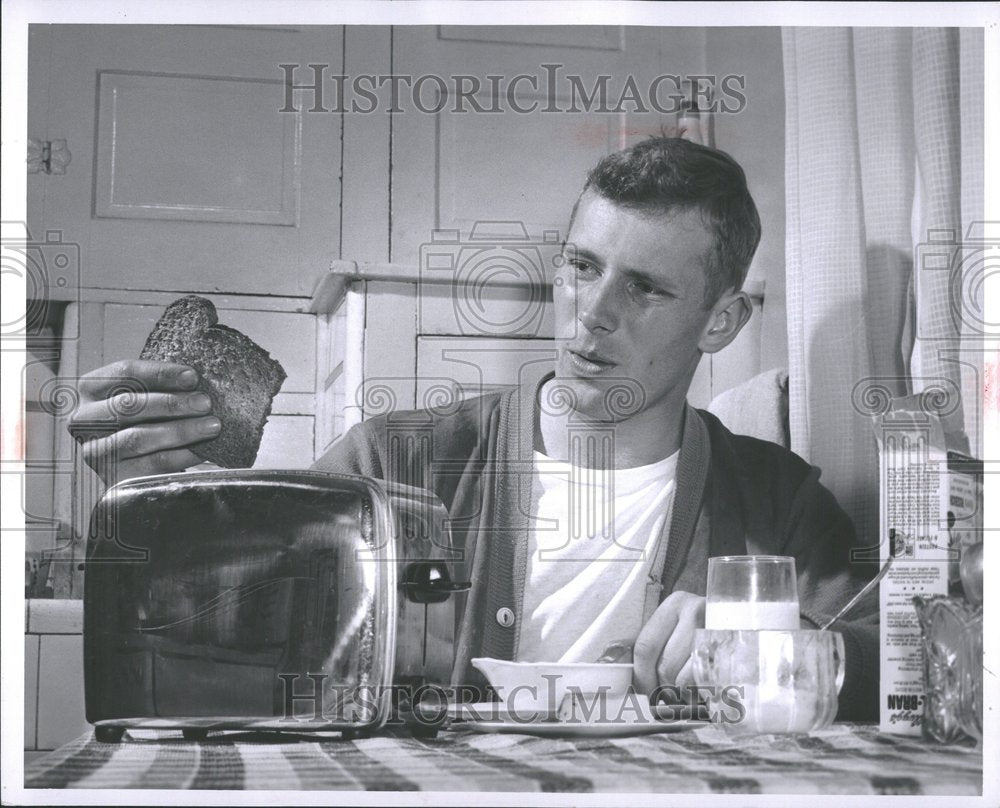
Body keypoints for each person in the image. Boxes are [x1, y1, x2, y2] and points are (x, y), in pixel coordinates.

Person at [70, 136, 878, 720]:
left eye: (646, 289)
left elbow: (888, 660)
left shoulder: (775, 499)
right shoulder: (392, 462)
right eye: (582, 266)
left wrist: (789, 645)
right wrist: (160, 515)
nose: (590, 316)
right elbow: (238, 635)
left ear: (722, 321)